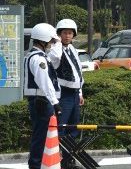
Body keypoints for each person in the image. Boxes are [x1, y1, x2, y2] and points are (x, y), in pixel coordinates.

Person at [23, 23, 61, 169]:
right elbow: (44, 82)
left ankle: (39, 163)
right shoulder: (38, 59)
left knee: (44, 134)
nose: (52, 44)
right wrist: (55, 102)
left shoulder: (38, 56)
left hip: (41, 101)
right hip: (41, 101)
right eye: (51, 41)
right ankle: (36, 164)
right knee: (41, 135)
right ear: (43, 40)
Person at [48, 19, 85, 141]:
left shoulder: (72, 49)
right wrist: (57, 42)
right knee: (61, 126)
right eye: (65, 33)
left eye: (70, 33)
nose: (68, 36)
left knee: (74, 126)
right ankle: (60, 154)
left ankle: (69, 155)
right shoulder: (56, 49)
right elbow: (55, 58)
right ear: (59, 34)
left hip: (74, 94)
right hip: (63, 94)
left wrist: (80, 93)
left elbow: (78, 72)